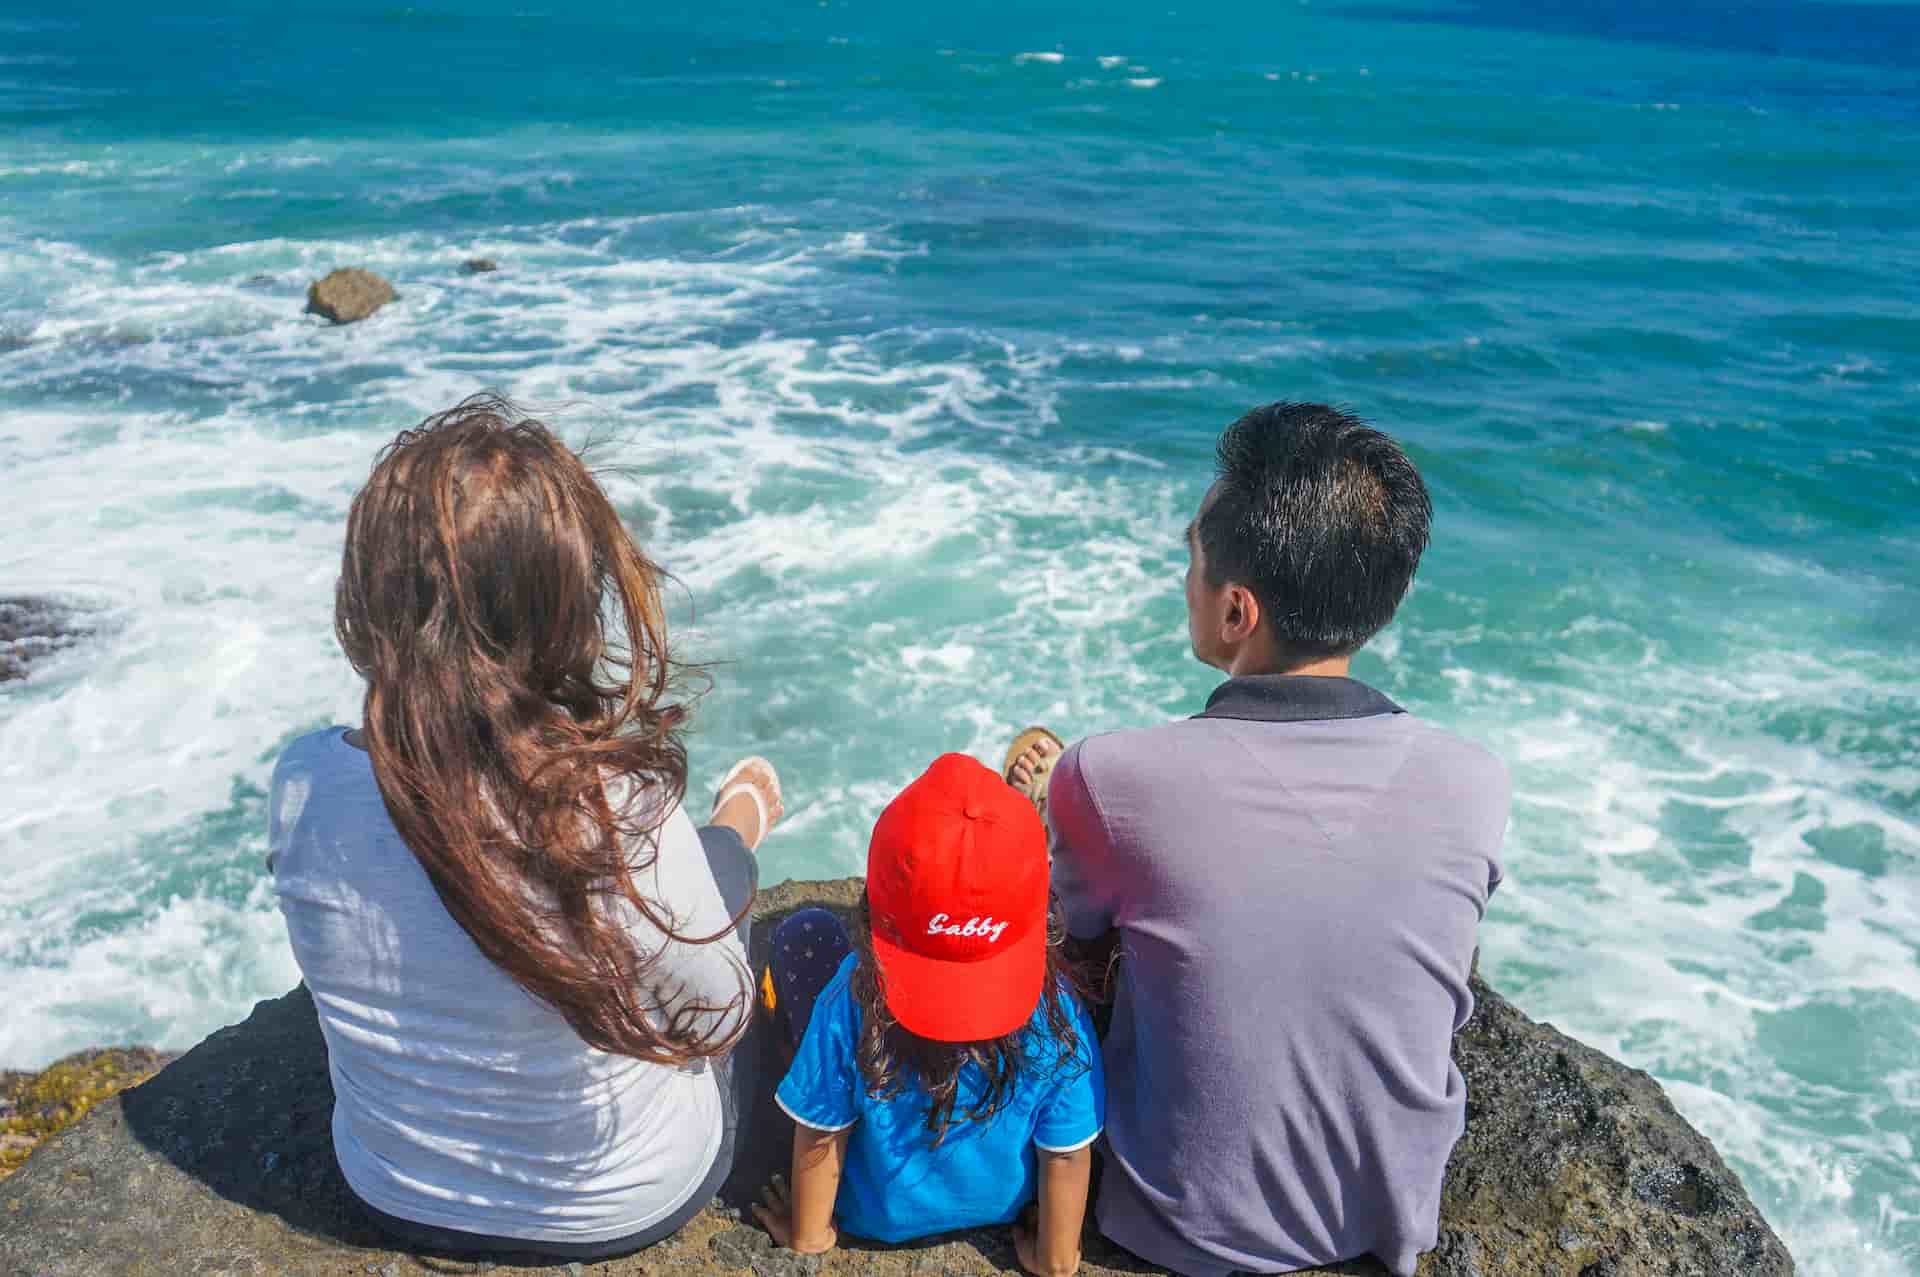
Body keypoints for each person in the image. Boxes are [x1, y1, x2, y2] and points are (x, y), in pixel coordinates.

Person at [267, 395, 784, 1260]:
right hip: (623, 1202)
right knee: (739, 917)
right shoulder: (611, 808)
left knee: (693, 879)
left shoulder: (306, 782)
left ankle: (731, 836)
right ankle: (736, 827)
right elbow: (715, 1017)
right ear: (565, 609)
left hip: (393, 1186)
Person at [1008, 402, 1510, 1276]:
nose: (1185, 569)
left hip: (1176, 1227)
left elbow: (1071, 945)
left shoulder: (1111, 775)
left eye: (1193, 558)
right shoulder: (1475, 782)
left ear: (1239, 611)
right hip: (1384, 1222)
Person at [750, 754, 1105, 1277]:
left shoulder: (852, 997)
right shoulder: (1058, 1010)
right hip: (1005, 1209)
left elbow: (820, 1133)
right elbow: (1067, 1154)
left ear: (873, 901)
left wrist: (810, 1235)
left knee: (805, 934)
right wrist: (1054, 1259)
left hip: (871, 1216)